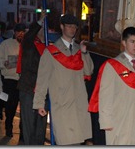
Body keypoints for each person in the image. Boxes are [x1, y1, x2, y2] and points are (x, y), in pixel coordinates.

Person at [88, 26, 135, 145]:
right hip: (120, 121)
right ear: (124, 42)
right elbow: (105, 96)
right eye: (132, 41)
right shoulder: (112, 65)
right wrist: (106, 121)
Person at [33, 14, 94, 145]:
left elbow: (88, 72)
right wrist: (39, 103)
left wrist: (84, 53)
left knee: (77, 142)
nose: (72, 29)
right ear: (62, 27)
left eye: (75, 27)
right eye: (69, 26)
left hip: (79, 104)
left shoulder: (79, 50)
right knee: (66, 142)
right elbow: (42, 80)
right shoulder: (51, 51)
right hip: (62, 104)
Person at [17, 11, 48, 145]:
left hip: (42, 90)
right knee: (29, 123)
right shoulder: (29, 43)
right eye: (42, 29)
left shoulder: (47, 47)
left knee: (40, 125)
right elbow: (29, 36)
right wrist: (39, 22)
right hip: (28, 89)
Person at [0, 23, 26, 138]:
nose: (21, 34)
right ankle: (9, 127)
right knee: (10, 107)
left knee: (24, 107)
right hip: (10, 79)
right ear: (15, 32)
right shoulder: (6, 44)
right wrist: (6, 63)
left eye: (23, 32)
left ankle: (23, 131)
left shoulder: (27, 44)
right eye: (18, 32)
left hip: (24, 80)